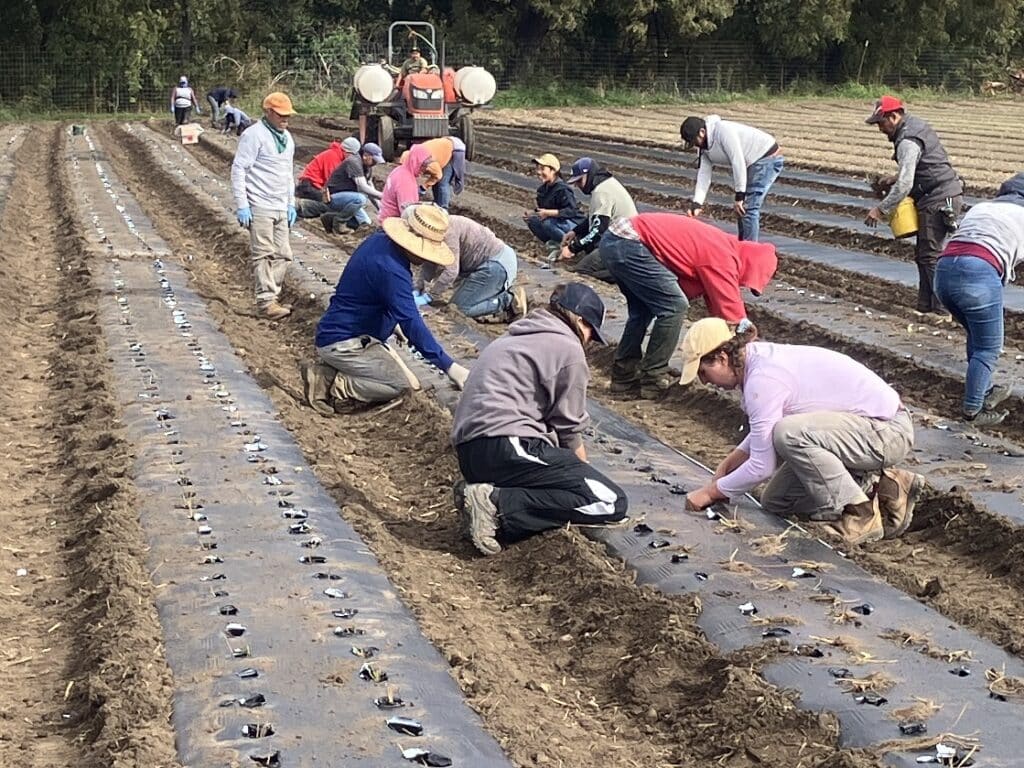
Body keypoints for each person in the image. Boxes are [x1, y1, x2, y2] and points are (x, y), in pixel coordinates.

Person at [680, 318, 923, 546]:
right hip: (857, 433)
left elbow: (763, 465)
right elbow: (763, 430)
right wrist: (729, 464)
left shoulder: (763, 378)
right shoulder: (756, 365)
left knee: (789, 434)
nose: (704, 381)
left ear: (722, 358)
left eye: (703, 372)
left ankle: (860, 514)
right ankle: (885, 486)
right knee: (776, 501)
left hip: (886, 431)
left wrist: (710, 493)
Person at [451, 282, 628, 555]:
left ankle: (487, 497)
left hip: (472, 452)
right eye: (591, 332)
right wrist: (583, 473)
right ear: (579, 320)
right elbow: (568, 429)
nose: (590, 341)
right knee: (609, 500)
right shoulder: (569, 349)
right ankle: (495, 503)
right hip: (507, 444)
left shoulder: (517, 335)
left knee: (558, 481)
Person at [301, 205, 469, 413]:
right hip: (346, 341)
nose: (426, 258)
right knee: (401, 387)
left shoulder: (379, 241)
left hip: (354, 334)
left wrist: (391, 321)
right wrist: (450, 367)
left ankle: (338, 371)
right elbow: (412, 322)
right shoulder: (392, 269)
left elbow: (375, 295)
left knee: (414, 383)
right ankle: (331, 382)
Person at [933, 172, 1024, 427]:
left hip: (944, 272)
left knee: (977, 337)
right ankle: (974, 410)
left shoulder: (983, 207)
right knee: (989, 348)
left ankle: (983, 391)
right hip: (978, 274)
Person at [864, 95, 964, 316]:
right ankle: (925, 305)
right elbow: (918, 169)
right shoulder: (912, 127)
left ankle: (942, 308)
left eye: (881, 123)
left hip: (939, 198)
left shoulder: (908, 140)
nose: (880, 128)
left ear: (894, 116)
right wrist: (891, 179)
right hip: (937, 193)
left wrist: (881, 209)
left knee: (931, 255)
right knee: (924, 254)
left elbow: (905, 183)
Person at [230, 91, 297, 320]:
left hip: (280, 204)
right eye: (281, 115)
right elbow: (239, 169)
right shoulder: (254, 135)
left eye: (288, 115)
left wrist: (291, 203)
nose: (285, 119)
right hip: (259, 204)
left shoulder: (287, 139)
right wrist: (242, 205)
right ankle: (266, 301)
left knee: (284, 254)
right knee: (263, 254)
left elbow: (288, 173)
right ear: (268, 112)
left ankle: (272, 295)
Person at [680, 115, 784, 242]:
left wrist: (740, 195)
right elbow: (704, 174)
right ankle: (742, 246)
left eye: (694, 141)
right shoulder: (703, 148)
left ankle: (750, 252)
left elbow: (737, 161)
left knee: (747, 207)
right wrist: (697, 203)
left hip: (766, 157)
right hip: (751, 162)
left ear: (702, 132)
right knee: (741, 209)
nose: (695, 145)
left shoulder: (723, 131)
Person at [415, 212, 528, 321]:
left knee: (459, 309)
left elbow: (451, 272)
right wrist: (419, 286)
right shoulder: (437, 228)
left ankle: (507, 301)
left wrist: (430, 296)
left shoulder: (447, 233)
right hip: (490, 262)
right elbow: (430, 262)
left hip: (497, 265)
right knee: (462, 299)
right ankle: (492, 292)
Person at [559, 157, 638, 282]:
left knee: (581, 272)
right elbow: (595, 217)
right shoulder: (606, 184)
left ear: (589, 175)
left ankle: (623, 274)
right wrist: (575, 231)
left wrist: (572, 248)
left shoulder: (602, 192)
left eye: (579, 181)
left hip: (620, 244)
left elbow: (597, 231)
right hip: (623, 240)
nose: (578, 186)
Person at [321, 139, 385, 233]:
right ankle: (339, 222)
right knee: (361, 199)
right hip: (333, 196)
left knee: (365, 224)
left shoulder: (368, 168)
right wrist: (383, 196)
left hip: (349, 198)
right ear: (365, 156)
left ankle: (330, 217)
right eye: (374, 160)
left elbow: (371, 190)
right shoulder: (354, 162)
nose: (375, 163)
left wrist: (382, 210)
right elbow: (363, 187)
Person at [524, 153, 584, 248]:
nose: (538, 172)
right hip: (557, 221)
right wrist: (534, 212)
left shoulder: (563, 189)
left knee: (547, 223)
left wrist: (548, 213)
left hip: (573, 223)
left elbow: (571, 211)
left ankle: (571, 246)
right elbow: (545, 209)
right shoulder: (543, 190)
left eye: (542, 169)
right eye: (537, 168)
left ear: (553, 171)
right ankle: (554, 243)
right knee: (532, 221)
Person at [379, 143, 433, 221]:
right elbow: (408, 214)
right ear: (415, 162)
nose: (426, 169)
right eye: (423, 165)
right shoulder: (406, 181)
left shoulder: (400, 170)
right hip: (393, 225)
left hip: (386, 219)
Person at [294, 139, 346, 219]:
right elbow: (331, 179)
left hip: (314, 185)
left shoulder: (337, 155)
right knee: (330, 204)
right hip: (308, 185)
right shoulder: (333, 156)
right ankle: (301, 206)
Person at [415, 136, 467, 209]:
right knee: (436, 183)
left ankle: (443, 209)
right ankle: (436, 205)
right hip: (443, 147)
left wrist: (423, 188)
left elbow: (437, 175)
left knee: (443, 182)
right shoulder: (413, 155)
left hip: (454, 149)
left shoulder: (426, 161)